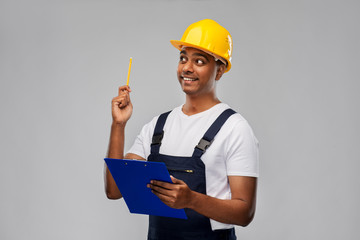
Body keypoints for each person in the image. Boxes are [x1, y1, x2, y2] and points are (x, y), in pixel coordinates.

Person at [104, 19, 259, 240]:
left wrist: (191, 200)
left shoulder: (235, 128)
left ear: (220, 70)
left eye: (199, 61)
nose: (187, 67)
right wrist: (118, 125)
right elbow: (114, 190)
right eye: (183, 58)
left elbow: (245, 213)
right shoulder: (158, 126)